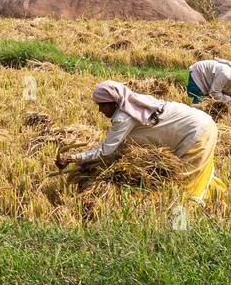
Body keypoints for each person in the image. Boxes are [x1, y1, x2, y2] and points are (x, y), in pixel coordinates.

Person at [68, 80, 225, 204]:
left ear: (114, 102)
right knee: (198, 174)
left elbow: (105, 151)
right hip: (201, 124)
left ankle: (181, 226)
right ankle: (220, 197)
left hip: (196, 133)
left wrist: (73, 158)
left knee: (184, 185)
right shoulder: (135, 103)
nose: (100, 111)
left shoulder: (123, 117)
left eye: (102, 105)